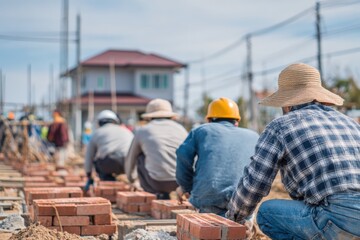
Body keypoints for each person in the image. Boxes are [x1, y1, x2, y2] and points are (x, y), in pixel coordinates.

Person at [226, 63, 360, 239]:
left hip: (336, 217)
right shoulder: (350, 123)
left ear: (286, 103)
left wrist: (233, 219)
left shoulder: (280, 126)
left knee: (266, 214)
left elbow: (255, 183)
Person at [176, 97, 259, 217]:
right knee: (239, 222)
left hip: (208, 195)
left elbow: (182, 156)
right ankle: (245, 222)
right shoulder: (254, 135)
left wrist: (186, 187)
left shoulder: (200, 130)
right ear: (237, 121)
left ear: (209, 120)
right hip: (244, 197)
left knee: (211, 227)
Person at [125, 98, 188, 199]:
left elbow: (131, 158)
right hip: (180, 182)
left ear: (150, 117)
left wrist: (132, 180)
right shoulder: (181, 129)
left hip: (156, 182)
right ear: (170, 115)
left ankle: (159, 194)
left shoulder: (143, 130)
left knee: (140, 156)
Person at [84, 110, 133, 188]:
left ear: (100, 122)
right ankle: (127, 185)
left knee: (97, 161)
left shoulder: (97, 133)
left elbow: (89, 156)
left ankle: (109, 183)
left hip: (109, 163)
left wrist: (89, 175)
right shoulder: (126, 131)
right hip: (127, 163)